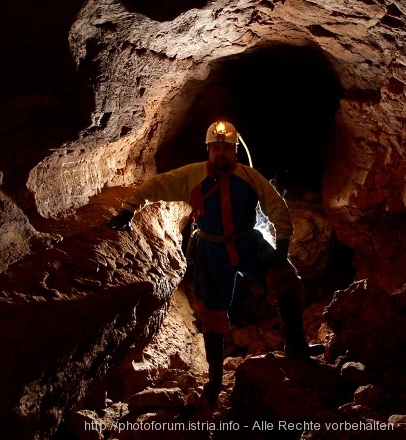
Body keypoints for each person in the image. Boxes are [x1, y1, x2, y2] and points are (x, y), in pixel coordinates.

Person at [106, 119, 324, 403]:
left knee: (287, 279)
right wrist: (128, 209)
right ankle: (215, 380)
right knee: (211, 312)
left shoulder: (249, 176)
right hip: (211, 250)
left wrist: (281, 244)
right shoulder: (192, 176)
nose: (221, 154)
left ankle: (296, 345)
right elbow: (156, 186)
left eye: (227, 148)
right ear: (209, 149)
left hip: (248, 242)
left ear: (235, 150)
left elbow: (275, 206)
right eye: (216, 148)